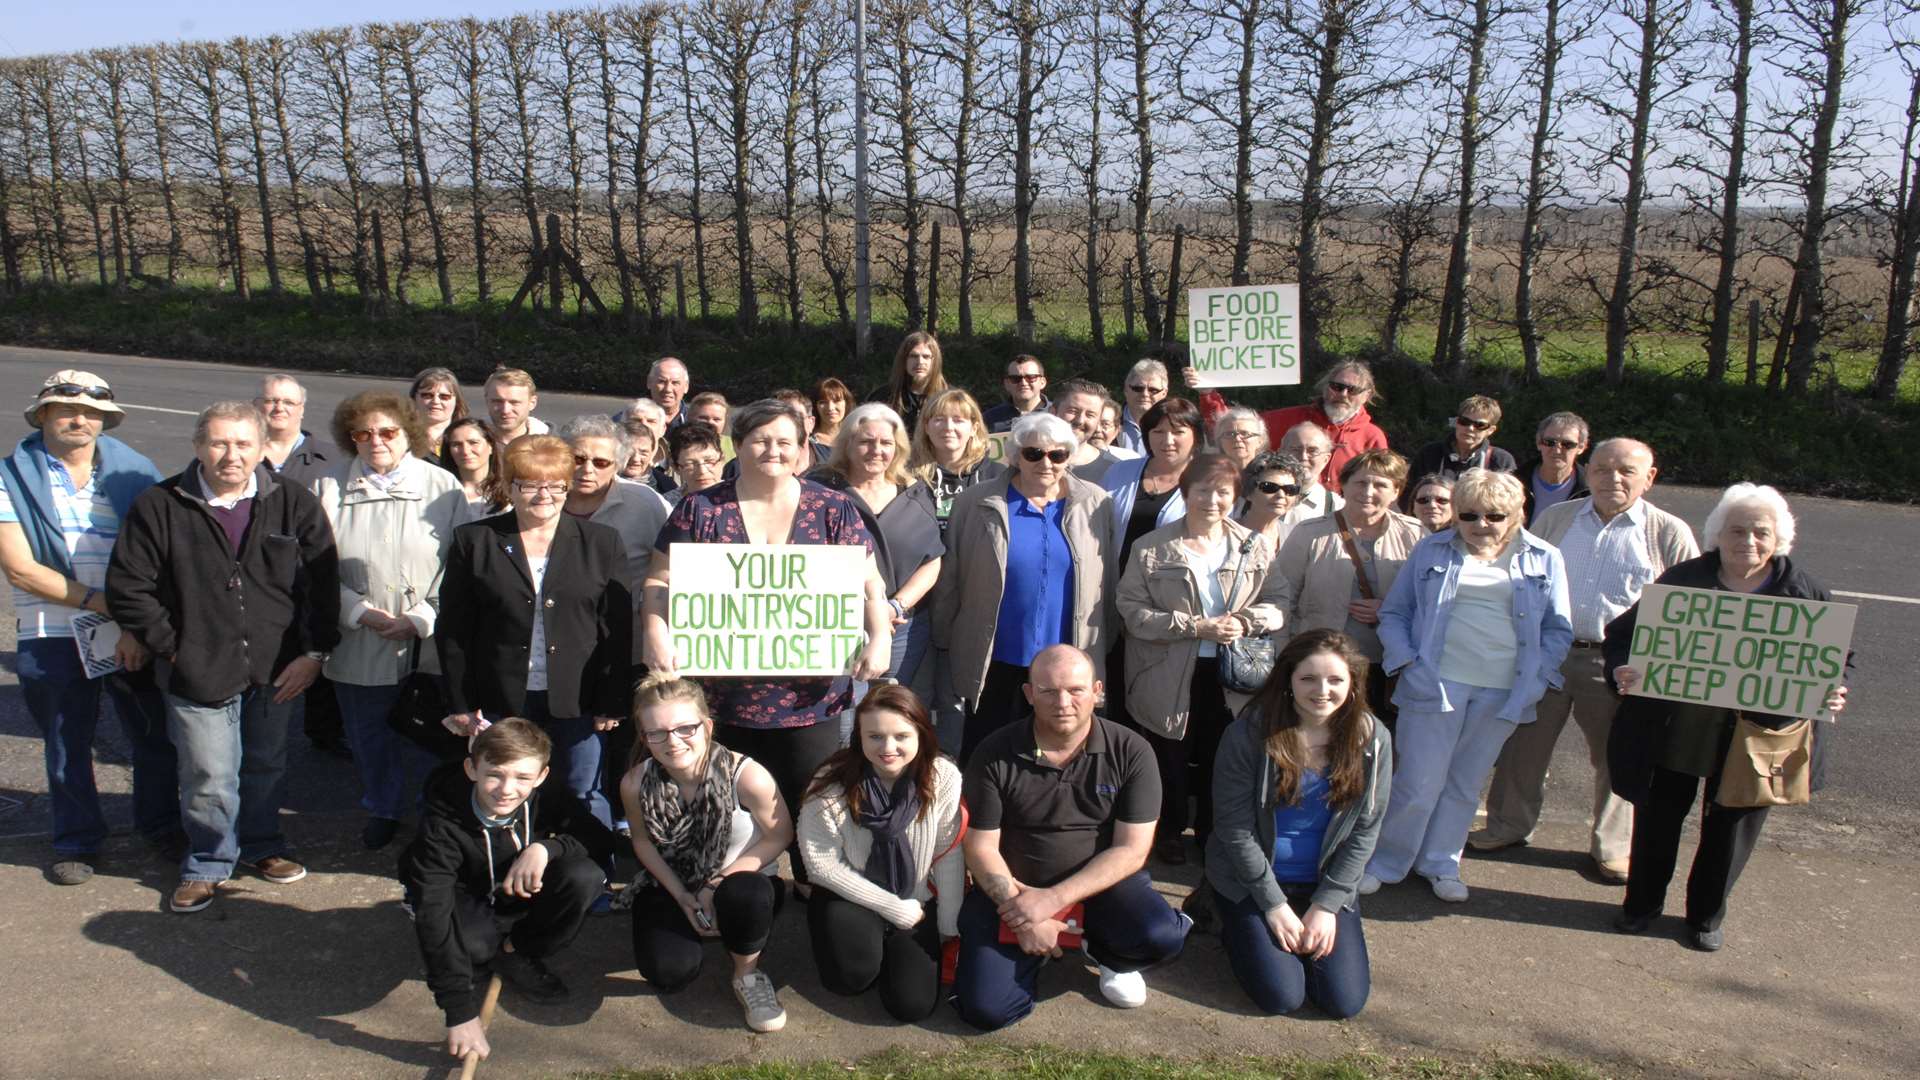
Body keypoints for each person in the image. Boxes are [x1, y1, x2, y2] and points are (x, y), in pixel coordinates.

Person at [641, 399, 893, 890]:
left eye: (784, 442)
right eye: (760, 441)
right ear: (739, 446)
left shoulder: (833, 508)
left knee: (810, 799)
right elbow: (659, 580)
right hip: (721, 695)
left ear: (803, 449)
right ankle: (724, 887)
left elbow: (871, 585)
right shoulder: (701, 508)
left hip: (809, 694)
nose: (772, 451)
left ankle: (814, 884)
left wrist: (878, 635)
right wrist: (655, 631)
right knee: (723, 800)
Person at [107, 401, 341, 915]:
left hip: (278, 667)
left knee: (264, 763)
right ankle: (209, 862)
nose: (230, 455)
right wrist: (174, 647)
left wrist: (314, 653)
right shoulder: (160, 504)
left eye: (242, 444)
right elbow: (129, 588)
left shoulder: (292, 502)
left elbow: (321, 586)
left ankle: (262, 845)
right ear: (197, 447)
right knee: (208, 773)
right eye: (218, 443)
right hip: (196, 669)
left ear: (261, 448)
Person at [1604, 483, 1849, 952]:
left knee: (1732, 827)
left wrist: (1833, 689)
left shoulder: (1805, 590)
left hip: (1756, 733)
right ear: (1718, 533)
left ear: (1779, 538)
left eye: (1761, 532)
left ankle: (1705, 916)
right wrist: (1623, 668)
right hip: (1678, 726)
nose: (1749, 542)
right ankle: (1641, 906)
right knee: (1659, 817)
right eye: (1737, 530)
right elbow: (1623, 636)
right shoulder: (1683, 580)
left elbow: (1836, 658)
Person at [1476, 439, 1698, 882]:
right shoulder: (1557, 518)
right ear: (1587, 471)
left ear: (1649, 477)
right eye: (1602, 468)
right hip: (1548, 654)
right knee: (1523, 746)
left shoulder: (1668, 533)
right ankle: (1507, 825)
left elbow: (1688, 608)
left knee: (1618, 757)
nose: (1612, 478)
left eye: (1626, 471)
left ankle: (1612, 847)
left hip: (1618, 664)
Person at [1, 370, 178, 886]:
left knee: (152, 736)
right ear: (42, 416)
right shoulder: (10, 476)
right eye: (66, 410)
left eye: (93, 414)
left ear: (106, 421)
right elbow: (20, 568)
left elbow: (157, 557)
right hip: (51, 629)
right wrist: (110, 606)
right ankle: (76, 840)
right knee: (66, 741)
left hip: (129, 626)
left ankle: (162, 826)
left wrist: (133, 621)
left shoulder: (136, 473)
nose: (80, 419)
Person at [1362, 469, 1571, 903]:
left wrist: (1538, 678)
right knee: (1418, 783)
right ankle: (1388, 861)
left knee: (1463, 783)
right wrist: (1407, 664)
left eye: (1494, 516)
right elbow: (1396, 613)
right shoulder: (1432, 549)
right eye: (1469, 515)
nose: (1480, 525)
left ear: (1516, 515)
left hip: (1503, 690)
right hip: (1434, 683)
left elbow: (1557, 628)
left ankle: (1441, 862)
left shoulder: (1544, 557)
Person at [955, 645, 1190, 1030]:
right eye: (1047, 691)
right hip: (1016, 894)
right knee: (985, 1010)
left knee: (1162, 936)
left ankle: (1105, 950)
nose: (1062, 702)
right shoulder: (994, 751)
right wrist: (1025, 918)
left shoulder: (1133, 751)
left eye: (1076, 690)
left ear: (1097, 691)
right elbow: (980, 847)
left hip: (1101, 888)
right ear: (1029, 694)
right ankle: (1040, 947)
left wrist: (1054, 900)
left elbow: (1132, 850)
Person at [438, 435, 632, 831]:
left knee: (583, 789)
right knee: (505, 791)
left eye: (556, 485)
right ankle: (507, 874)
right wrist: (460, 702)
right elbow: (455, 629)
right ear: (510, 486)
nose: (544, 495)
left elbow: (617, 627)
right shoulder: (474, 541)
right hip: (501, 695)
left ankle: (592, 880)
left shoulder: (600, 542)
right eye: (530, 485)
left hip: (579, 697)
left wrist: (613, 700)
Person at [312, 391, 473, 850]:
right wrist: (358, 612)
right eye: (363, 433)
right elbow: (313, 566)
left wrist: (424, 616)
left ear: (409, 435)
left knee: (430, 734)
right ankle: (382, 807)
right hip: (358, 637)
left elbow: (459, 566)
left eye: (387, 432)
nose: (375, 441)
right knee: (369, 734)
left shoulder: (443, 487)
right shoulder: (328, 486)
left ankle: (432, 814)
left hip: (428, 643)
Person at [402, 719, 616, 1063]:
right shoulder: (441, 824)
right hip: (465, 892)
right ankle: (486, 947)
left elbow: (599, 838)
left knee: (585, 876)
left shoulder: (547, 793)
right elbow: (433, 912)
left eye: (522, 777)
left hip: (514, 890)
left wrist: (547, 849)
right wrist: (459, 1010)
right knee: (474, 947)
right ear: (472, 768)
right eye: (494, 774)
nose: (506, 788)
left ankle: (517, 949)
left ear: (541, 776)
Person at [1207, 629, 1390, 1018]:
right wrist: (1273, 905)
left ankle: (1297, 922)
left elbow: (1365, 830)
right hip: (1252, 882)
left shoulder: (1374, 740)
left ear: (1354, 685)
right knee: (1282, 996)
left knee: (1342, 1002)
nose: (1322, 690)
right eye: (1308, 678)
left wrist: (1327, 904)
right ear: (1288, 681)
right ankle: (1226, 916)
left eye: (1336, 680)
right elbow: (1234, 830)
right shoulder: (1248, 734)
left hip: (1322, 883)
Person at [1117, 452, 1285, 865]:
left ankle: (1215, 833)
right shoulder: (1151, 547)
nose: (1212, 500)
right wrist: (1194, 626)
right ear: (1185, 492)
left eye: (1222, 492)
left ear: (1237, 496)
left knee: (1223, 756)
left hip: (1232, 671)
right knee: (1168, 755)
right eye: (1203, 490)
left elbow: (1279, 602)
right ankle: (1168, 831)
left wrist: (1246, 621)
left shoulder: (1254, 546)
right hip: (1166, 669)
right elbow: (1132, 611)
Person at [931, 412, 1114, 761]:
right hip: (997, 656)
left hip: (1068, 661)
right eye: (1033, 454)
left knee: (1062, 754)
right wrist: (947, 638)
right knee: (989, 754)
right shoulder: (977, 502)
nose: (1046, 463)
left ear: (1069, 457)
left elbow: (1109, 581)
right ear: (1016, 455)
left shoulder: (1096, 502)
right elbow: (951, 577)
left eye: (1057, 455)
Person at [620, 674, 793, 1031]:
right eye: (657, 733)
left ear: (708, 726)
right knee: (669, 972)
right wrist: (682, 894)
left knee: (745, 893)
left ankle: (747, 974)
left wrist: (714, 884)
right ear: (644, 737)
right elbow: (642, 842)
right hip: (674, 880)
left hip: (740, 885)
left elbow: (780, 835)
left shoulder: (746, 776)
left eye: (686, 728)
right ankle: (689, 921)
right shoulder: (635, 782)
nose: (673, 741)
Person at [798, 684, 965, 1022]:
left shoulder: (943, 776)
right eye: (874, 736)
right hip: (849, 894)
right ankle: (852, 939)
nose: (888, 748)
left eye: (901, 736)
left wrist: (949, 925)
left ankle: (889, 947)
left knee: (911, 1006)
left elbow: (949, 852)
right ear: (859, 736)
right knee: (849, 980)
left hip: (916, 898)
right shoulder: (832, 782)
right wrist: (891, 908)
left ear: (921, 732)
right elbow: (821, 865)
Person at [1272, 449, 1423, 718]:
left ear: (1396, 491)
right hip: (1318, 663)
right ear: (1344, 485)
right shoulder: (1310, 533)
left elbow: (1427, 603)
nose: (1368, 491)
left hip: (1385, 665)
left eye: (1380, 484)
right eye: (1361, 482)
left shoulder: (1415, 535)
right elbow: (1281, 597)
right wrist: (1284, 655)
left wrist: (1388, 611)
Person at [814, 403, 945, 687]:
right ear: (847, 444)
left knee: (886, 712)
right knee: (842, 723)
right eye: (866, 441)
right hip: (831, 626)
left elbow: (932, 560)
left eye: (886, 443)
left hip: (900, 627)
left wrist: (895, 607)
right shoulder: (818, 489)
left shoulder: (916, 492)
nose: (877, 450)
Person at [559, 414, 672, 611]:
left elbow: (673, 566)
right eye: (578, 459)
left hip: (624, 627)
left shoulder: (646, 504)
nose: (587, 470)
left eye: (600, 463)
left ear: (618, 465)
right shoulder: (542, 499)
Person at [1249, 361, 1390, 487]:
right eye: (1337, 387)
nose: (1343, 394)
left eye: (1353, 390)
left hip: (1341, 510)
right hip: (1283, 500)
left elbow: (1381, 483)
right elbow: (1241, 427)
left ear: (1367, 395)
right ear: (1325, 387)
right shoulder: (1286, 418)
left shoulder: (1372, 436)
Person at [1101, 397, 1203, 570]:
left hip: (1171, 588)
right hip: (1112, 585)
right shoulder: (1119, 472)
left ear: (1195, 435)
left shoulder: (1206, 482)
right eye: (1158, 432)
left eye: (1178, 432)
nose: (1167, 440)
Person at [910, 387, 1007, 536]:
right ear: (926, 427)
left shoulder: (998, 476)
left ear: (974, 428)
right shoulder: (908, 478)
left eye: (958, 420)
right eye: (939, 419)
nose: (948, 427)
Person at [1402, 394, 1516, 510]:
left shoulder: (1501, 460)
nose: (1470, 428)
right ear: (1457, 422)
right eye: (1464, 421)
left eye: (1479, 425)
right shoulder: (1430, 453)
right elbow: (1408, 495)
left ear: (1491, 430)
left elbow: (1508, 504)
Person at [867, 331, 948, 438]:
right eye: (913, 356)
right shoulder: (883, 397)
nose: (920, 362)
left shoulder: (948, 398)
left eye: (926, 356)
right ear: (904, 360)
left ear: (935, 361)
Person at [256, 374, 332, 485]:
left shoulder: (333, 458)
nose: (279, 408)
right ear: (255, 406)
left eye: (289, 403)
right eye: (271, 401)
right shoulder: (236, 454)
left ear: (302, 410)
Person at [1052, 378, 1129, 481]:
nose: (1080, 420)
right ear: (1053, 412)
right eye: (1073, 411)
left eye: (1090, 415)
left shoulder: (1115, 470)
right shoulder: (1028, 458)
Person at [1521, 412, 1590, 525]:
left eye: (1567, 444)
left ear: (1581, 447)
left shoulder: (1590, 491)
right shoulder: (1513, 484)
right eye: (1549, 442)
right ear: (1539, 443)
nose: (1557, 450)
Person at [1237, 450, 1308, 558]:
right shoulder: (1226, 533)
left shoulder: (1297, 538)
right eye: (1269, 487)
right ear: (1248, 492)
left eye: (1290, 489)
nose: (1281, 495)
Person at [1278, 423, 1345, 524]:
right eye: (1295, 449)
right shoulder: (1257, 496)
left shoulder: (1337, 508)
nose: (1303, 457)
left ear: (1326, 460)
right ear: (1281, 454)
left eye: (1312, 451)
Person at [442, 418, 507, 516]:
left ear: (491, 447)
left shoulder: (510, 491)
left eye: (473, 443)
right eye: (457, 444)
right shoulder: (439, 490)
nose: (465, 451)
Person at [411, 367, 469, 463]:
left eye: (444, 397)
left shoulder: (468, 438)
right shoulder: (400, 437)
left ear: (457, 401)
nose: (435, 401)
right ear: (414, 399)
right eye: (427, 395)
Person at [1114, 359, 1170, 454]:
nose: (1145, 394)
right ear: (1126, 389)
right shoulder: (1106, 422)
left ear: (1164, 393)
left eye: (1153, 390)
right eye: (1138, 388)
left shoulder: (1174, 426)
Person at [982, 355, 1050, 433]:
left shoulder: (1058, 414)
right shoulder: (988, 419)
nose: (1023, 383)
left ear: (1042, 382)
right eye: (1015, 379)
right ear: (1006, 384)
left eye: (1031, 377)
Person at [483, 368, 548, 443]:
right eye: (497, 401)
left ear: (532, 403)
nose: (505, 410)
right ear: (487, 401)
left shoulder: (552, 448)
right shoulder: (469, 446)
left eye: (514, 402)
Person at [665, 422, 727, 502]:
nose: (702, 471)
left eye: (709, 461)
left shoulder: (740, 498)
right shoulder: (665, 506)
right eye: (690, 464)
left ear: (722, 459)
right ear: (675, 467)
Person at [1213, 406, 1269, 474]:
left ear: (1260, 440)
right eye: (1229, 434)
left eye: (1245, 434)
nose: (1237, 439)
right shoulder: (1211, 477)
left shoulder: (1272, 473)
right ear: (1220, 442)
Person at [649, 357, 691, 427]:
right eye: (661, 381)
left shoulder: (694, 421)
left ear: (686, 387)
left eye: (675, 383)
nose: (668, 389)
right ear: (649, 382)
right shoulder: (630, 419)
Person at [812, 376, 855, 446]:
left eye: (836, 401)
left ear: (846, 404)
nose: (830, 408)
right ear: (815, 406)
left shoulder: (856, 437)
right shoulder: (807, 440)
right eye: (823, 402)